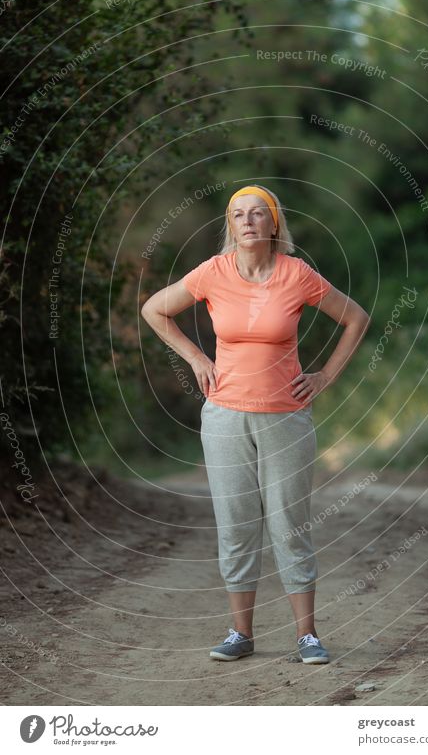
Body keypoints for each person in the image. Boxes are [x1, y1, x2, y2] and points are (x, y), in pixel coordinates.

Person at [141, 184, 370, 664]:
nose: (247, 221)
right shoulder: (213, 272)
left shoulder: (297, 274)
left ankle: (307, 635)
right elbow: (154, 310)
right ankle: (240, 635)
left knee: (290, 524)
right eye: (238, 214)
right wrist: (197, 358)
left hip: (286, 418)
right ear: (230, 225)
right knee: (236, 525)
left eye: (257, 214)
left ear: (274, 224)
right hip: (223, 417)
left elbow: (355, 317)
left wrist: (325, 375)